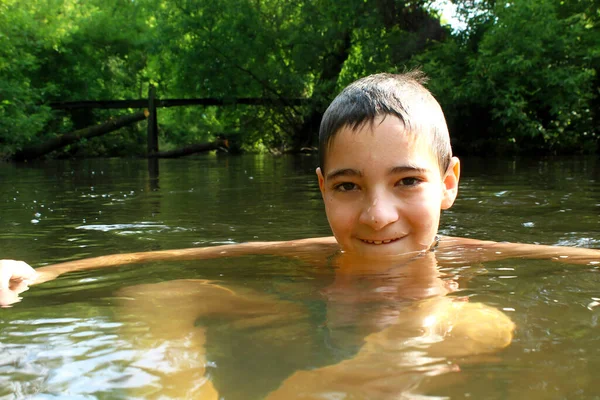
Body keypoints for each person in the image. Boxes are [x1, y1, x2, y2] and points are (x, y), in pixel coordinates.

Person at [1, 71, 599, 398]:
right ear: (321, 188)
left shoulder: (473, 255)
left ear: (449, 182)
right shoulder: (315, 254)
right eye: (348, 187)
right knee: (162, 293)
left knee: (478, 320)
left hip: (392, 353)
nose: (377, 214)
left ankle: (341, 384)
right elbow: (174, 255)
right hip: (317, 324)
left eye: (407, 182)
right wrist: (44, 272)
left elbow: (575, 258)